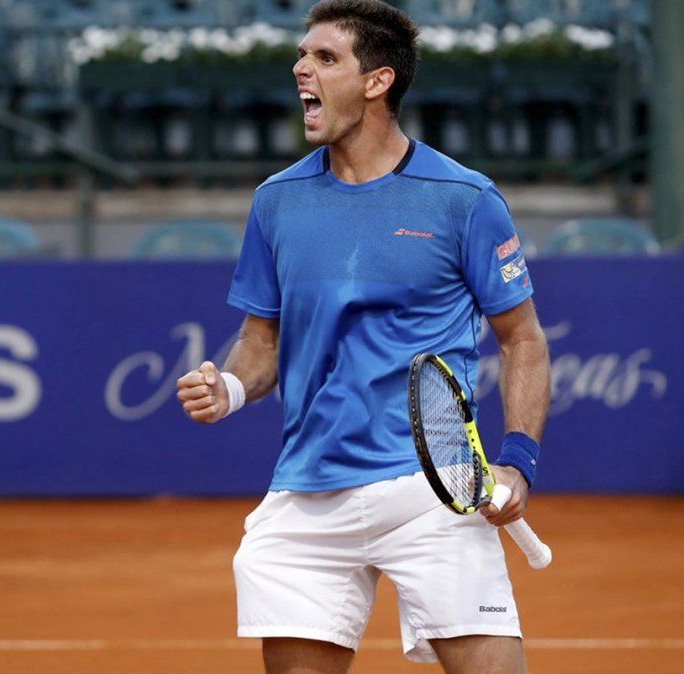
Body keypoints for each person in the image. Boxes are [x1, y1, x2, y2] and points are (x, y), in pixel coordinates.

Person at [176, 1, 551, 672]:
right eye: (302, 55)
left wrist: (518, 460)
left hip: (431, 489)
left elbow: (522, 337)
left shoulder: (463, 199)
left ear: (377, 81)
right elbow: (262, 339)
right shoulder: (276, 201)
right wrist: (229, 388)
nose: (301, 68)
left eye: (325, 58)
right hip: (308, 490)